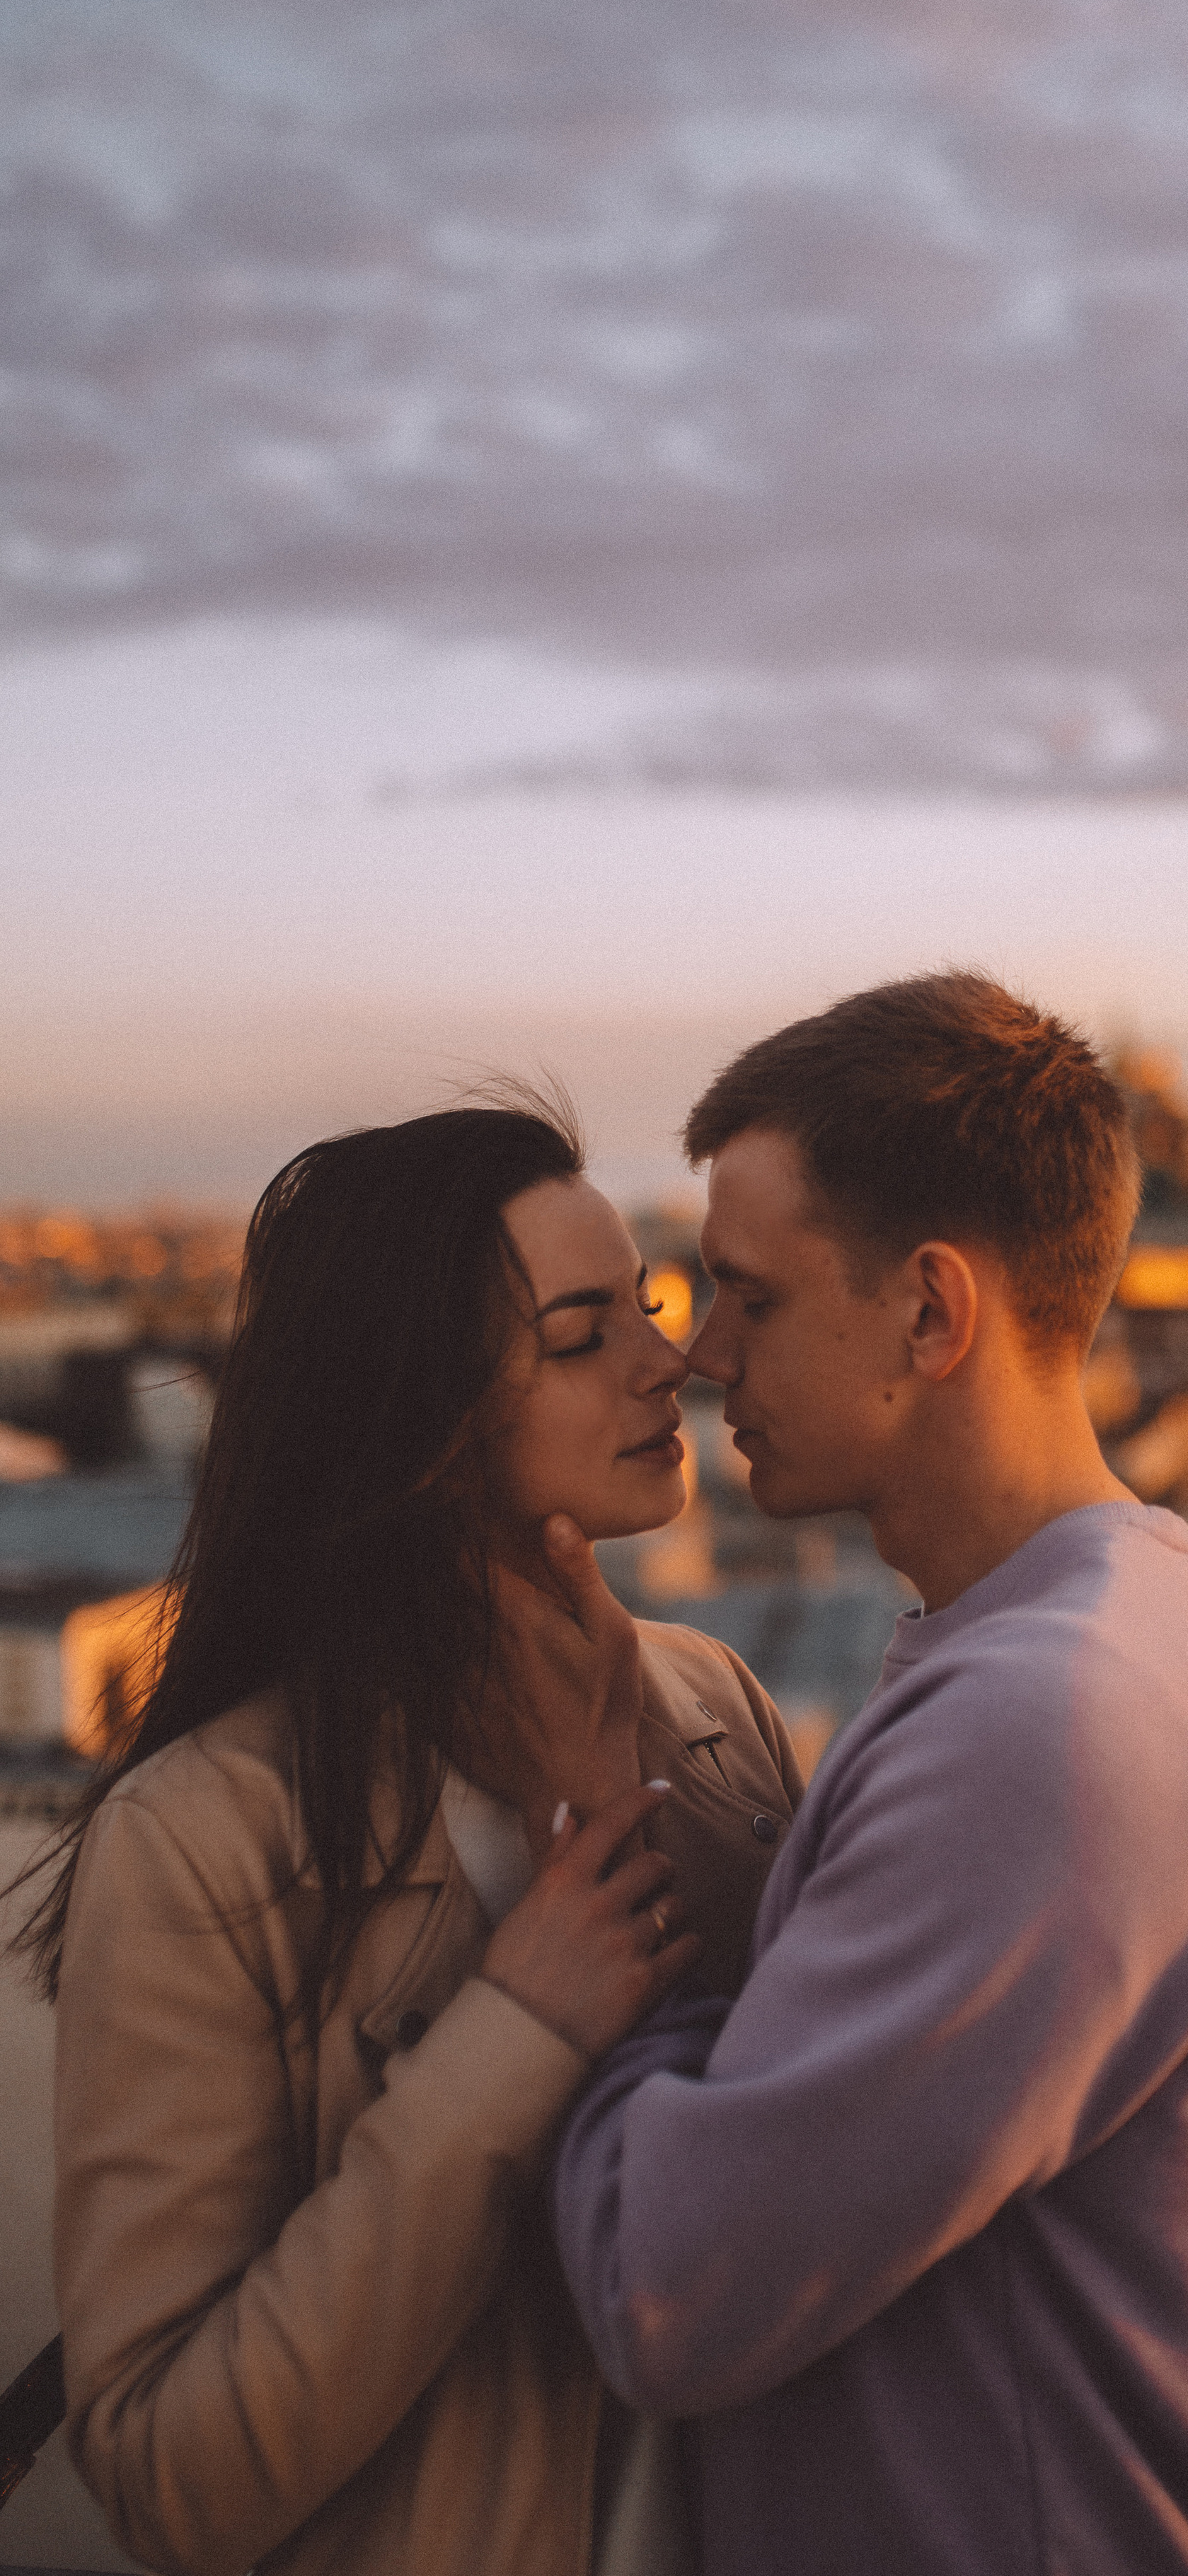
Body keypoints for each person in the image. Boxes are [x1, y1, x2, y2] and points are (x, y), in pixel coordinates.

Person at [535, 974, 1188, 2576]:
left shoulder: (1044, 1734)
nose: (702, 1358)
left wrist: (603, 1950)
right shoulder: (1138, 1627)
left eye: (749, 1298)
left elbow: (660, 2285)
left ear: (928, 1312)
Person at [13, 1099, 802, 2576]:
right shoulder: (204, 1843)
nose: (671, 1361)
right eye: (581, 1336)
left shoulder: (715, 1714)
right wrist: (515, 2032)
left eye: (647, 1305)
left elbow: (843, 2155)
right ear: (422, 1420)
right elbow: (169, 2478)